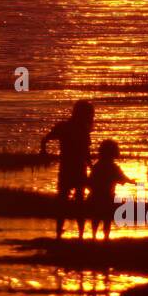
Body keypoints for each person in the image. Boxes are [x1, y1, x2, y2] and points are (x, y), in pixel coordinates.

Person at [41, 100, 94, 240]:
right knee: (78, 202)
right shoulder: (81, 129)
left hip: (67, 168)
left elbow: (45, 139)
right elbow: (86, 151)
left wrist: (44, 151)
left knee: (63, 200)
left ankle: (60, 232)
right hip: (76, 169)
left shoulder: (65, 127)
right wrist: (91, 166)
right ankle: (80, 234)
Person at [88, 140, 133, 239]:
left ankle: (94, 237)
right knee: (106, 219)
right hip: (108, 196)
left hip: (95, 196)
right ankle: (105, 238)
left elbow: (90, 182)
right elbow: (122, 178)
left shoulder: (97, 166)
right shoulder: (113, 167)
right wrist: (132, 181)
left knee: (96, 218)